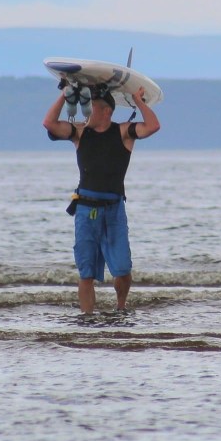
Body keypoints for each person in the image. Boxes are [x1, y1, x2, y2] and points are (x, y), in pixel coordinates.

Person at [43, 83, 160, 315]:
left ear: (107, 111)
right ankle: (86, 317)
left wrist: (139, 101)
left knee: (123, 269)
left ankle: (121, 308)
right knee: (86, 271)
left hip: (113, 209)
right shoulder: (79, 132)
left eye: (92, 106)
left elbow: (153, 126)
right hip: (86, 210)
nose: (87, 110)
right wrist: (63, 95)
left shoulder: (124, 132)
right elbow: (49, 124)